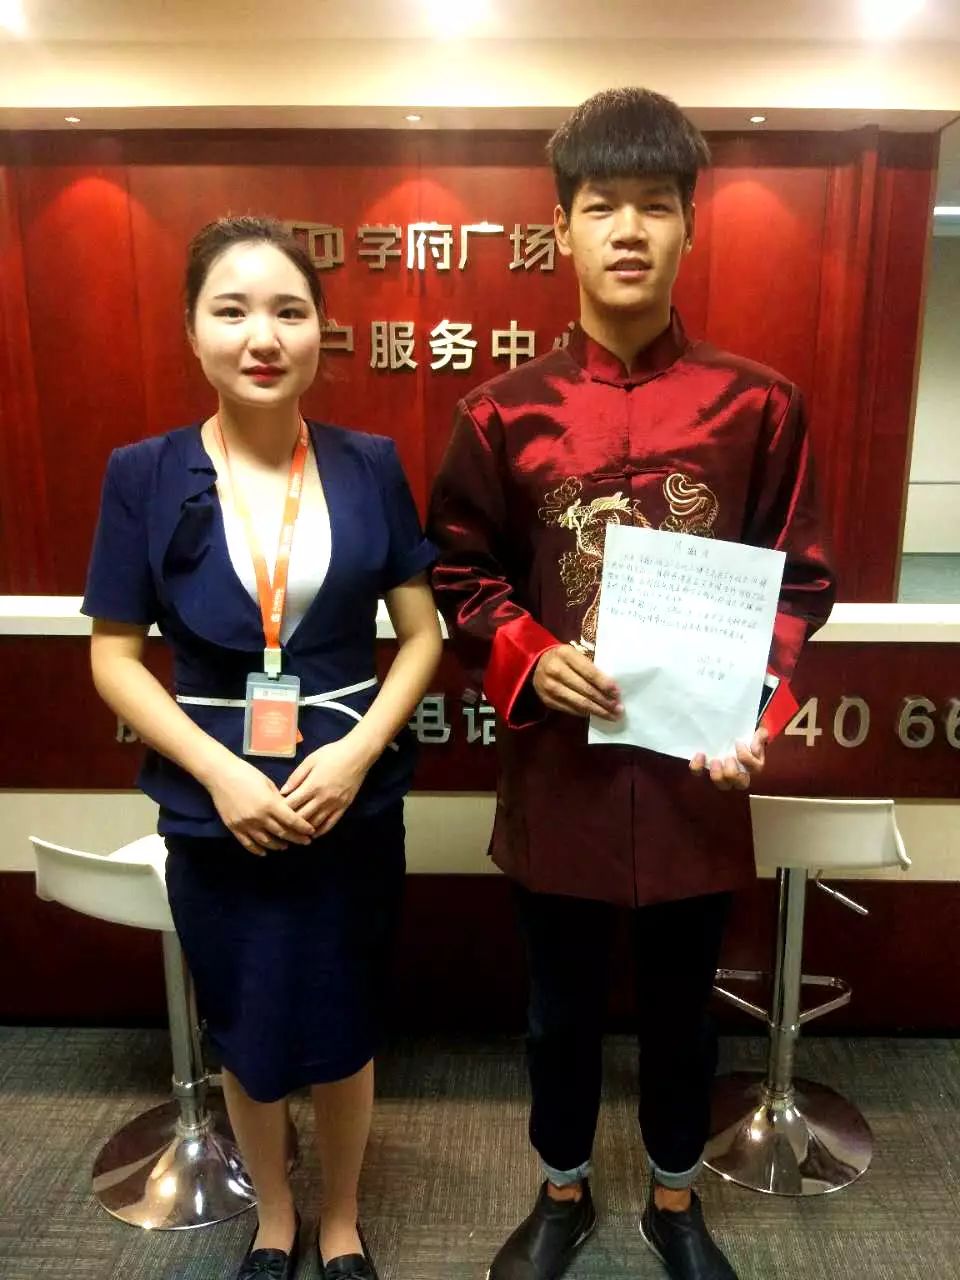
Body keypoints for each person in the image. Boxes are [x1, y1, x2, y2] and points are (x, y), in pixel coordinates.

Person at [428, 89, 835, 1280]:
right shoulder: (501, 411)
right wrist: (527, 650)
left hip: (693, 775)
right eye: (602, 205)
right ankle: (561, 1186)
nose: (628, 229)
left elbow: (798, 581)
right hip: (560, 773)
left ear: (688, 228)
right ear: (561, 227)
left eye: (655, 206)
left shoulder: (758, 405)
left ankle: (673, 1195)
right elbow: (458, 571)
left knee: (680, 1009)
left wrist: (755, 716)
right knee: (556, 1009)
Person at [82, 215, 442, 1280]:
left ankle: (342, 1221)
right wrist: (221, 771)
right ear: (192, 331)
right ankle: (275, 1217)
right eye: (231, 310)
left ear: (322, 329)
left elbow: (422, 636)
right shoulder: (143, 474)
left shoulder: (369, 464)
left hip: (348, 799)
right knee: (247, 1020)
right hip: (215, 806)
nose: (263, 336)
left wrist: (359, 752)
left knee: (344, 1015)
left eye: (289, 310)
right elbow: (114, 658)